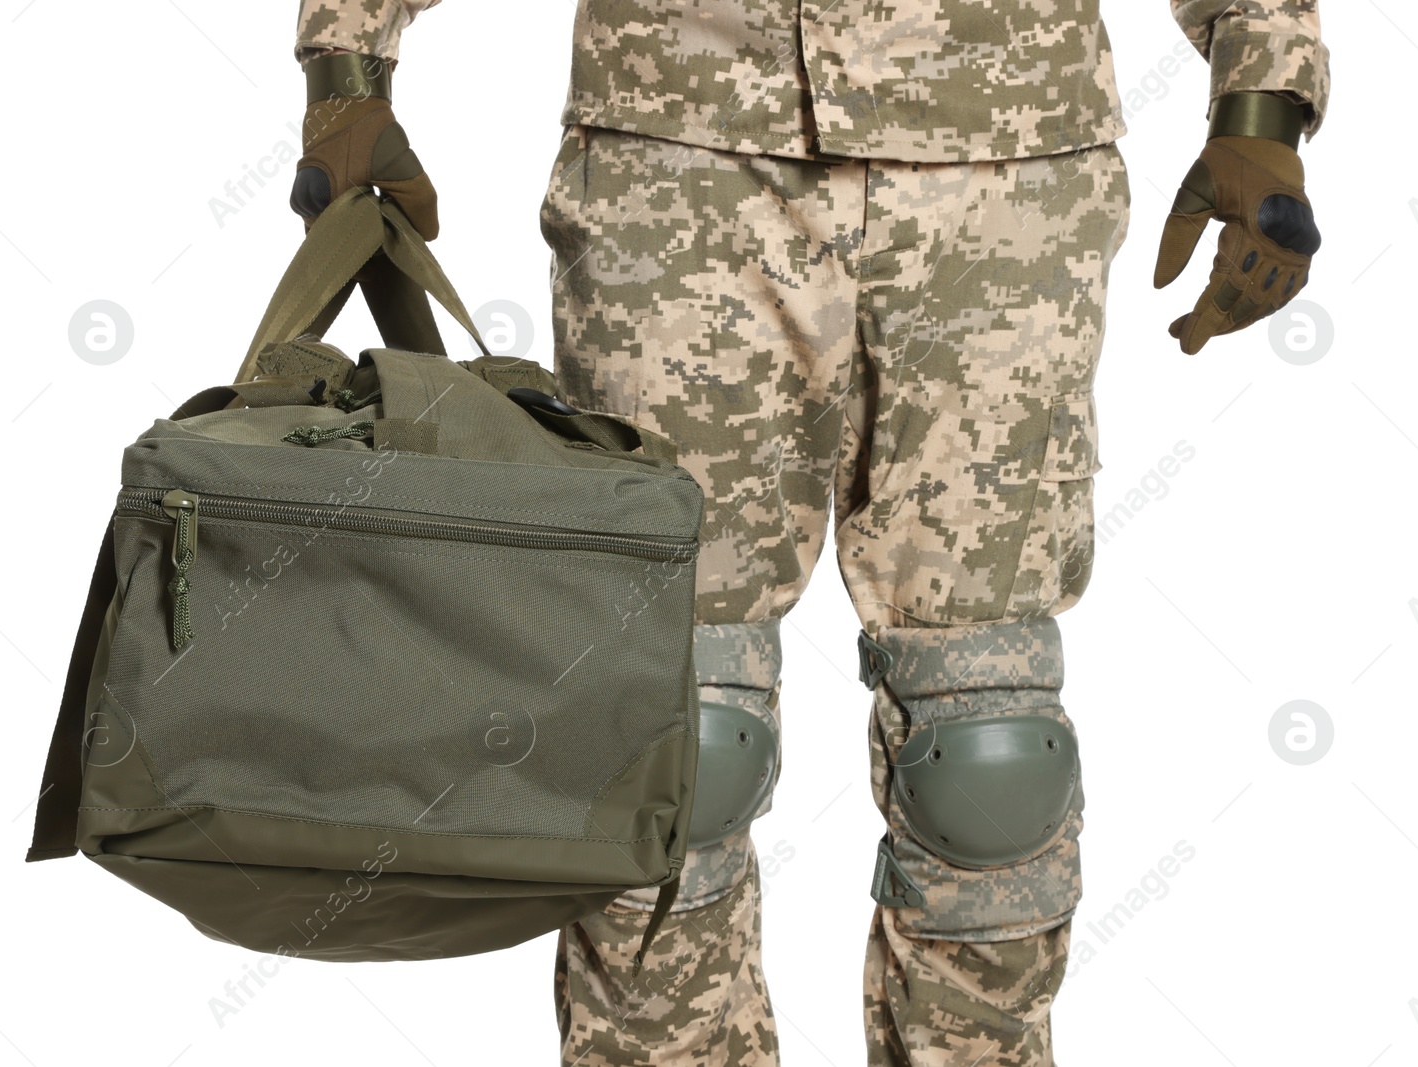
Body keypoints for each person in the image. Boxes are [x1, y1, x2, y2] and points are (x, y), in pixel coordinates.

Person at [287, 3, 1329, 1064]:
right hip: (681, 155)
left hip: (1004, 165)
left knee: (989, 762)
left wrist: (1261, 102)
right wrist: (348, 73)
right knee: (673, 744)